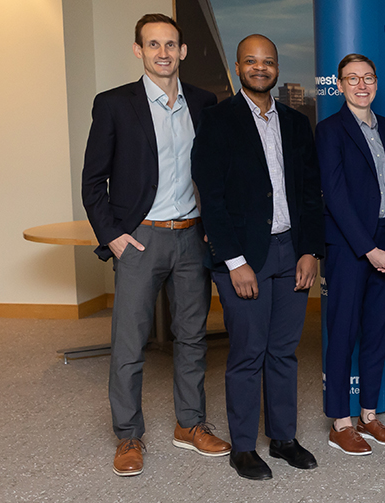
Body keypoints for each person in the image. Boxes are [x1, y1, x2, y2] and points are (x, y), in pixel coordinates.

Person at [80, 13, 229, 478]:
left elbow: (216, 172)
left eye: (171, 44)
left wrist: (213, 225)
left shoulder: (205, 103)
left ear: (183, 52)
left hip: (191, 238)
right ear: (138, 51)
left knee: (192, 338)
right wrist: (114, 237)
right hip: (140, 239)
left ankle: (191, 424)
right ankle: (128, 434)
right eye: (153, 44)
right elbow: (92, 182)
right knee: (129, 343)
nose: (163, 53)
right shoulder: (113, 104)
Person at [191, 34, 325, 480]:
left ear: (277, 67)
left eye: (268, 61)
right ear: (237, 67)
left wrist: (310, 251)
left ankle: (283, 438)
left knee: (284, 352)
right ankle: (244, 447)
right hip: (245, 256)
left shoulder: (295, 122)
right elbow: (210, 198)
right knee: (248, 352)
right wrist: (233, 262)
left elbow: (309, 194)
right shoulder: (216, 121)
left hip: (291, 250)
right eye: (251, 61)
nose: (260, 68)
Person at [315, 53, 385, 455]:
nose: (361, 85)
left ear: (376, 83)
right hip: (350, 246)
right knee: (343, 332)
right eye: (352, 79)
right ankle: (340, 422)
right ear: (339, 85)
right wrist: (369, 249)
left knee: (377, 332)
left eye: (368, 78)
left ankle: (368, 415)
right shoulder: (329, 130)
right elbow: (335, 197)